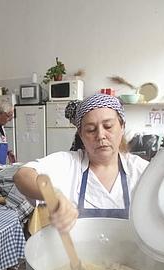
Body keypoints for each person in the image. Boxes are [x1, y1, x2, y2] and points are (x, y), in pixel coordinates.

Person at [14, 93, 149, 235]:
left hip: (130, 255)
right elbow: (22, 175)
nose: (101, 135)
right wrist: (53, 194)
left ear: (122, 127)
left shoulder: (141, 171)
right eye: (91, 130)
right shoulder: (70, 164)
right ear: (81, 135)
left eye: (108, 126)